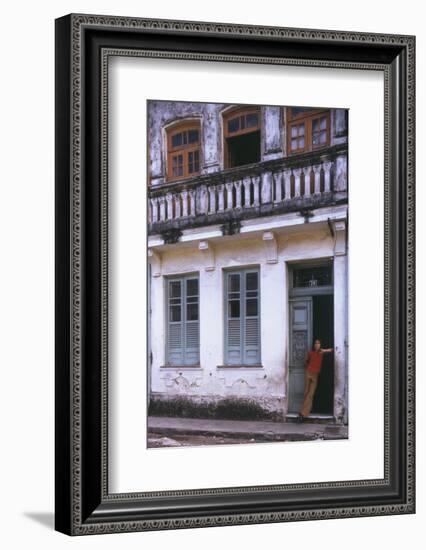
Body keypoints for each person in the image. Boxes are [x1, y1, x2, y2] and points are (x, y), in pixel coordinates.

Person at [298, 339, 334, 421]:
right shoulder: (310, 353)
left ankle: (302, 413)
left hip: (315, 375)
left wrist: (324, 350)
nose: (317, 345)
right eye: (315, 343)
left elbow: (332, 350)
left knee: (310, 394)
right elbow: (305, 362)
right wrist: (308, 368)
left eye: (318, 343)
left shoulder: (321, 353)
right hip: (308, 373)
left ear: (320, 345)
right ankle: (304, 413)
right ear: (314, 345)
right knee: (306, 392)